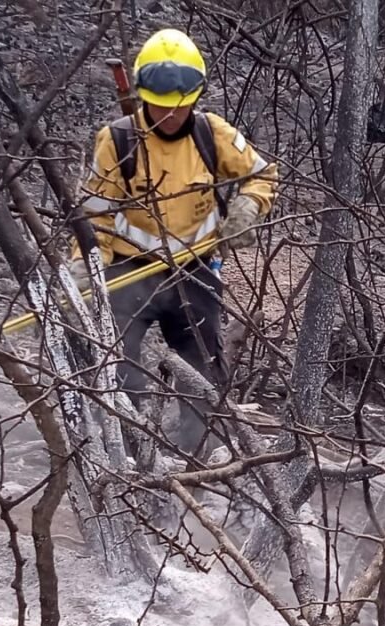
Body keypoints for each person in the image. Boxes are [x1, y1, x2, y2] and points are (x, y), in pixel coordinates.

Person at [73, 28, 277, 448]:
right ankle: (127, 457)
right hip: (128, 272)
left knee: (201, 375)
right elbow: (96, 215)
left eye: (178, 108)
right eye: (160, 107)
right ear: (144, 96)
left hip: (194, 270)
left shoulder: (212, 133)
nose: (169, 116)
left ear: (195, 98)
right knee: (118, 369)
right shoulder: (117, 141)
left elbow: (262, 175)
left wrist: (248, 208)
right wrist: (85, 268)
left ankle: (199, 461)